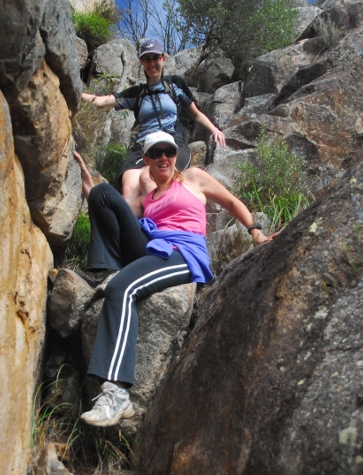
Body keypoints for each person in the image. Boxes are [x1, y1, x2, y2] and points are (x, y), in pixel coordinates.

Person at [74, 132, 273, 427]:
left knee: (121, 288)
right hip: (151, 247)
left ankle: (116, 393)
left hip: (183, 252)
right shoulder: (147, 198)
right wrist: (91, 193)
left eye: (169, 151)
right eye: (156, 153)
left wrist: (256, 232)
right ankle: (108, 268)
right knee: (104, 194)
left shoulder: (193, 178)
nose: (164, 157)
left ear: (176, 155)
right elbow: (116, 218)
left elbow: (231, 202)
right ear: (147, 161)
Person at [81, 38, 226, 203]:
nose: (152, 63)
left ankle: (157, 225)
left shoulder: (175, 85)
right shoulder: (137, 93)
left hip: (172, 145)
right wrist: (72, 90)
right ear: (142, 61)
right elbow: (102, 101)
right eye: (147, 59)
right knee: (128, 189)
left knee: (150, 181)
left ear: (163, 58)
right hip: (143, 148)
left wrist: (214, 130)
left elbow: (195, 114)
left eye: (155, 58)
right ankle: (130, 227)